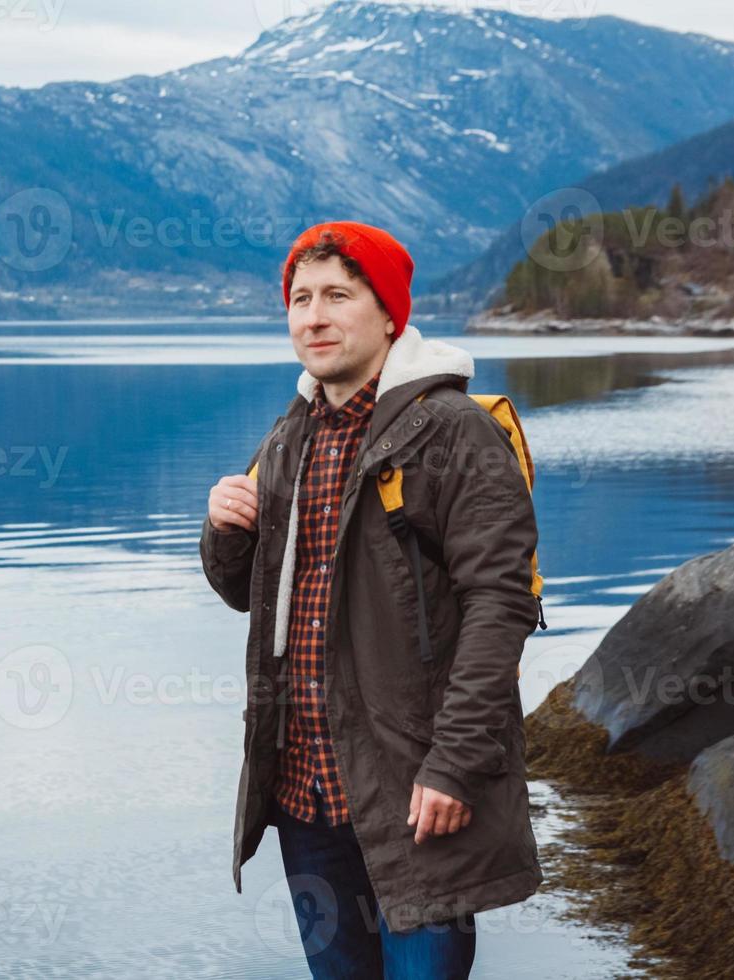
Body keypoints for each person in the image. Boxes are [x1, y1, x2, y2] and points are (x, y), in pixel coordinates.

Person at [199, 221, 543, 979]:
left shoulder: (453, 433)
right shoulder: (290, 435)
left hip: (414, 791)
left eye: (336, 296)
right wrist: (225, 529)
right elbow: (244, 595)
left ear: (389, 313)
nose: (313, 316)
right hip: (304, 794)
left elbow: (501, 606)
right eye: (299, 299)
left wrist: (455, 766)